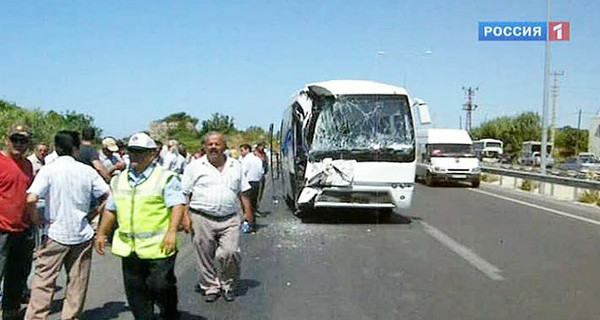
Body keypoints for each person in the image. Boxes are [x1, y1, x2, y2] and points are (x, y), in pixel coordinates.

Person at [95, 132, 187, 320]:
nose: (134, 156)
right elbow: (111, 209)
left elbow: (177, 205)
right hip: (130, 248)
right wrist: (101, 233)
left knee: (160, 286)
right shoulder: (120, 179)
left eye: (140, 152)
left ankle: (170, 313)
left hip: (159, 247)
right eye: (132, 151)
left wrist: (171, 232)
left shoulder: (165, 177)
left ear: (152, 154)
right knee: (136, 295)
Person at [24, 130, 110, 320]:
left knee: (44, 283)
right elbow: (108, 196)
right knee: (77, 283)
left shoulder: (49, 170)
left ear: (56, 147)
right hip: (82, 233)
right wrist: (93, 213)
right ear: (75, 148)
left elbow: (31, 198)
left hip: (55, 232)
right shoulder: (86, 171)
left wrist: (35, 219)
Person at [182, 132, 253, 303]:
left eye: (217, 144)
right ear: (205, 147)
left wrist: (248, 213)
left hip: (230, 218)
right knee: (204, 254)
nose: (213, 147)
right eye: (210, 144)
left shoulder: (236, 166)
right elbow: (185, 193)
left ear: (224, 147)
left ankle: (228, 284)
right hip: (202, 217)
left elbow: (243, 191)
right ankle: (210, 286)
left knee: (230, 253)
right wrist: (185, 217)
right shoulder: (194, 167)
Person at [0, 124, 35, 320]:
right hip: (1, 230)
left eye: (23, 141)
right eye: (15, 139)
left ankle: (10, 313)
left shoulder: (28, 165)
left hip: (23, 230)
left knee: (18, 276)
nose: (19, 144)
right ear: (7, 139)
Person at [240, 144, 264, 232]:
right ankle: (253, 224)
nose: (241, 153)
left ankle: (248, 224)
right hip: (256, 183)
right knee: (253, 205)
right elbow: (262, 172)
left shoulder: (246, 160)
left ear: (247, 150)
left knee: (246, 206)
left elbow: (242, 172)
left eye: (242, 150)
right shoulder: (257, 159)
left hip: (247, 183)